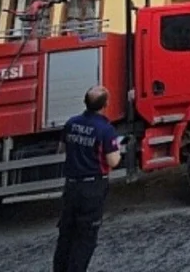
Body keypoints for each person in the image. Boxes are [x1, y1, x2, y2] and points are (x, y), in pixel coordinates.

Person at [52, 86, 122, 272]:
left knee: (66, 235)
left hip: (71, 187)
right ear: (105, 104)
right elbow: (113, 161)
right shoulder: (105, 130)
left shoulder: (71, 123)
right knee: (85, 239)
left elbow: (61, 149)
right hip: (92, 189)